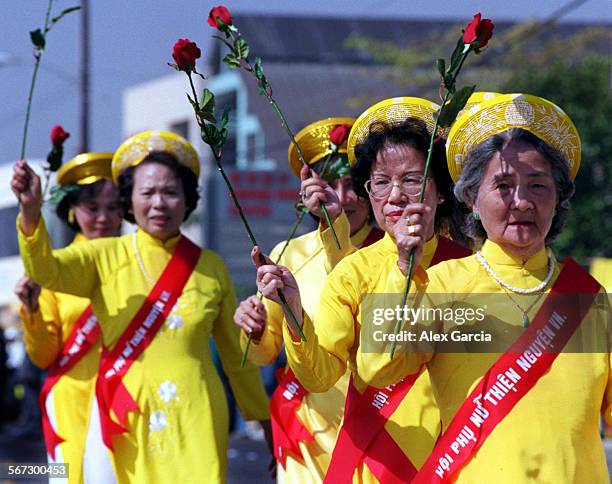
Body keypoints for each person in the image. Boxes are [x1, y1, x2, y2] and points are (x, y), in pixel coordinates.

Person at [358, 93, 611, 483]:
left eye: (538, 185)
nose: (523, 201)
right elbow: (377, 367)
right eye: (504, 185)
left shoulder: (591, 299)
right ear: (472, 198)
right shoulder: (442, 285)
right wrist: (404, 271)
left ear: (559, 198)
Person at [12, 130, 271, 483]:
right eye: (147, 192)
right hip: (123, 414)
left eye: (170, 192)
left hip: (197, 414)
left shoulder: (211, 267)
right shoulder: (102, 255)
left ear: (187, 198)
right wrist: (29, 211)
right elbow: (46, 270)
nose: (159, 203)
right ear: (129, 202)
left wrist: (266, 423)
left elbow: (235, 359)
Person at [254, 97, 471, 482]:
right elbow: (321, 375)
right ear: (369, 194)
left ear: (440, 191)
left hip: (454, 459)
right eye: (381, 182)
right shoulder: (354, 270)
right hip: (374, 463)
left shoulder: (470, 269)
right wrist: (292, 310)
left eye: (411, 180)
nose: (396, 195)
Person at [234, 117, 383, 481]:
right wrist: (252, 330)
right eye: (329, 184)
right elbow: (264, 353)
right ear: (307, 194)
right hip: (309, 427)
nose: (342, 197)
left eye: (352, 185)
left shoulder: (393, 251)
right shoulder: (287, 253)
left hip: (385, 423)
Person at [13, 153, 122, 482]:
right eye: (92, 208)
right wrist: (31, 312)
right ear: (72, 210)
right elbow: (44, 354)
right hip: (71, 399)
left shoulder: (143, 265)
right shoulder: (53, 269)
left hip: (129, 395)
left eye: (114, 207)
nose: (103, 218)